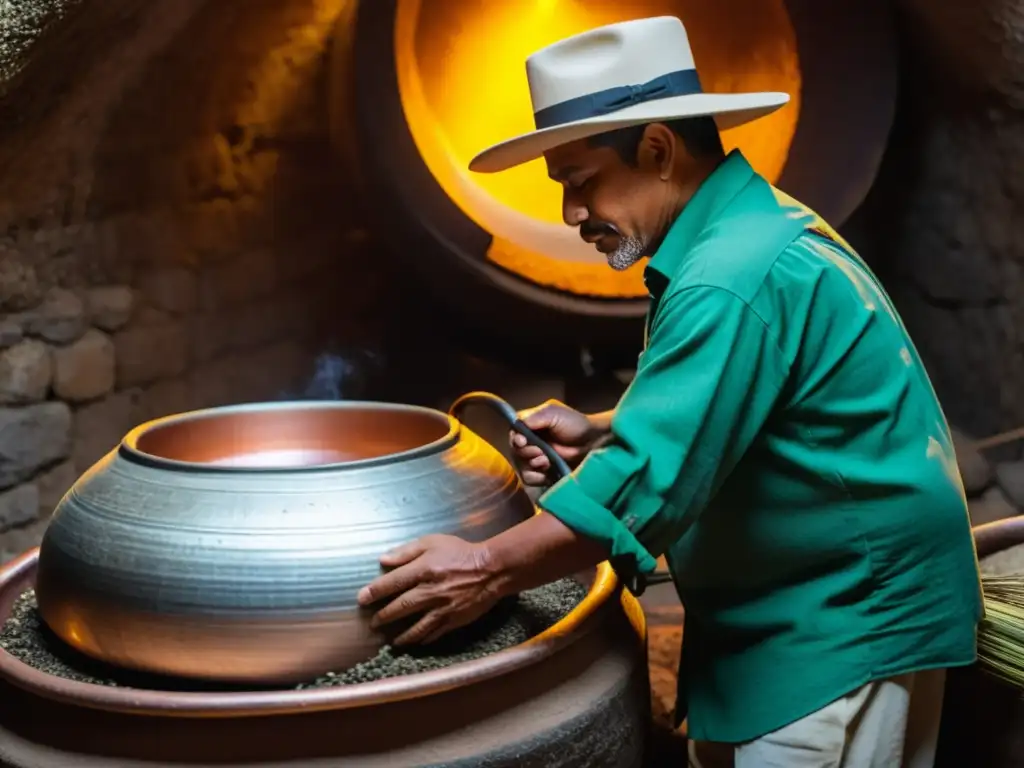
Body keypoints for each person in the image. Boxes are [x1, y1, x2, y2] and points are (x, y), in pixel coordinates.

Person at [356, 16, 982, 767]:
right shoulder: (747, 227)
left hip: (844, 618)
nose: (572, 215)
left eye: (581, 182)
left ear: (656, 148)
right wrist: (604, 428)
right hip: (819, 600)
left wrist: (485, 570)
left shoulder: (729, 274)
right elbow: (758, 396)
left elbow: (647, 485)